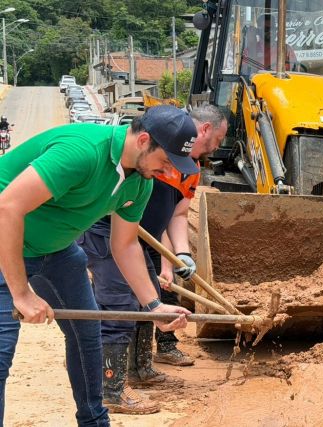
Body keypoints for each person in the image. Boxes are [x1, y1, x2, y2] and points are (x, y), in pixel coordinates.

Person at [0, 104, 197, 426]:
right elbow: (7, 207)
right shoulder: (83, 151)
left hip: (57, 252)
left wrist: (153, 305)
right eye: (165, 161)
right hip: (4, 244)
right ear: (143, 140)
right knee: (1, 352)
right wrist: (21, 294)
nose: (167, 171)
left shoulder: (140, 182)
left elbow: (125, 244)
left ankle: (93, 420)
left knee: (87, 335)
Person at [79, 104, 228, 414]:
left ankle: (140, 369)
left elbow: (177, 214)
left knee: (149, 299)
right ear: (204, 130)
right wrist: (164, 261)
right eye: (218, 139)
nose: (217, 147)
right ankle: (110, 389)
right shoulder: (155, 155)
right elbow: (132, 210)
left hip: (138, 241)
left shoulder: (188, 167)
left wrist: (181, 254)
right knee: (119, 304)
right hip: (111, 234)